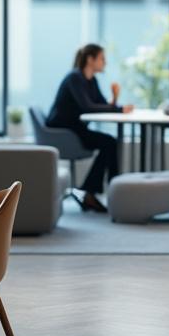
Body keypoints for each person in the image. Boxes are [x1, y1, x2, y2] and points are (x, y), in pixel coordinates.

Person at [47, 43, 133, 213]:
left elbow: (99, 104)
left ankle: (96, 192)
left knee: (109, 142)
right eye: (102, 58)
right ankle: (107, 192)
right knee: (109, 143)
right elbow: (87, 107)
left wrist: (115, 100)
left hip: (75, 128)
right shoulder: (75, 78)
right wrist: (118, 109)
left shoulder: (91, 80)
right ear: (90, 59)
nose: (105, 63)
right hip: (63, 131)